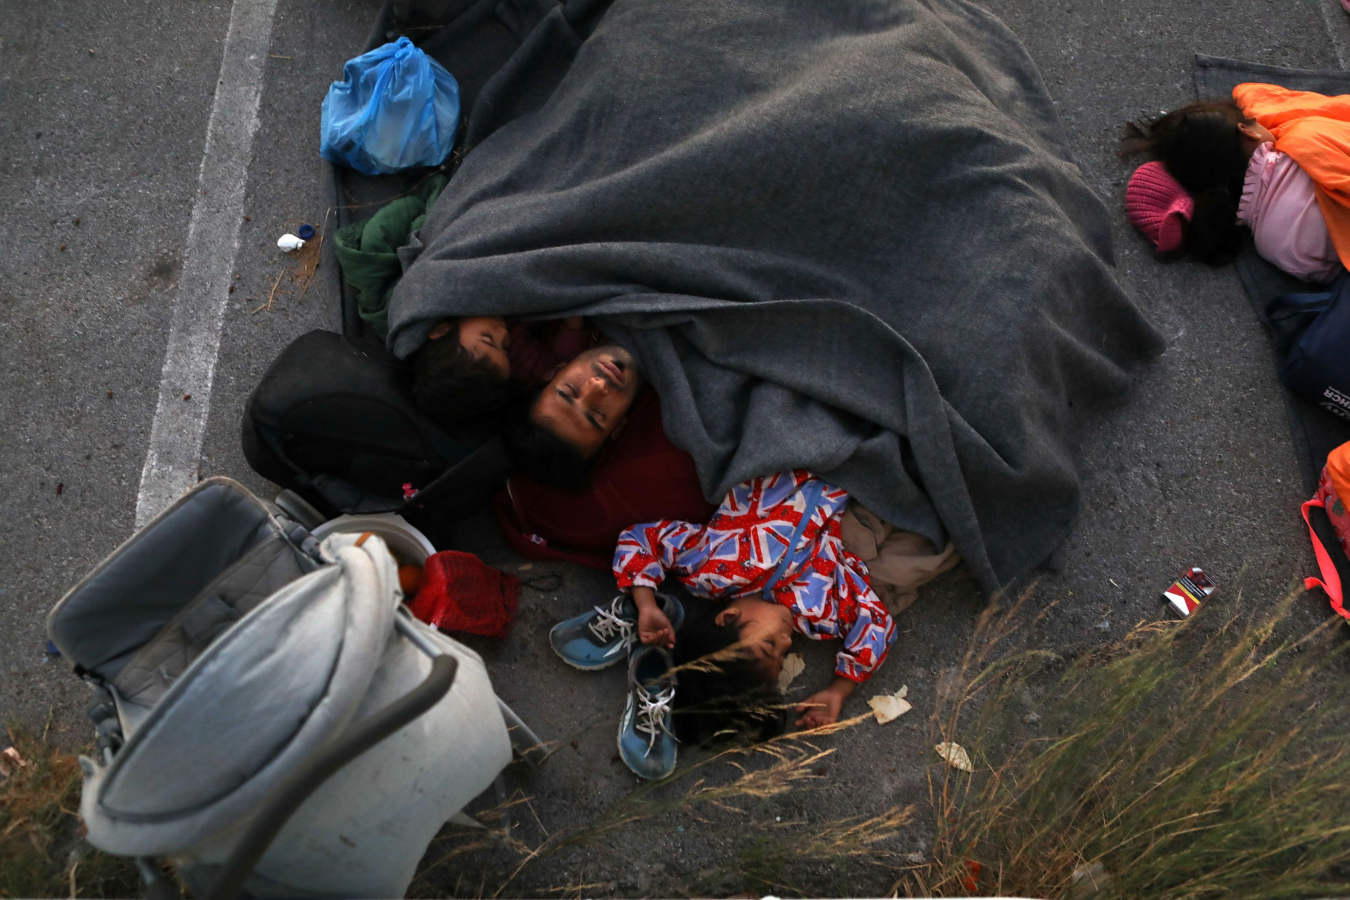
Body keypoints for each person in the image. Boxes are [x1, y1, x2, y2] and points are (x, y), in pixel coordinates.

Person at [613, 469, 895, 730]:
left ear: (728, 617)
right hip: (855, 479)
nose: (787, 642)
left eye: (769, 644)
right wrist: (838, 690)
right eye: (782, 656)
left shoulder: (707, 569)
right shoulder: (819, 613)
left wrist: (646, 603)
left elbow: (642, 539)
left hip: (787, 457)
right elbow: (877, 625)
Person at [1122, 86, 1350, 283]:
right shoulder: (1305, 138)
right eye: (1254, 121)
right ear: (1247, 130)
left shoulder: (1270, 246)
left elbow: (1331, 275)